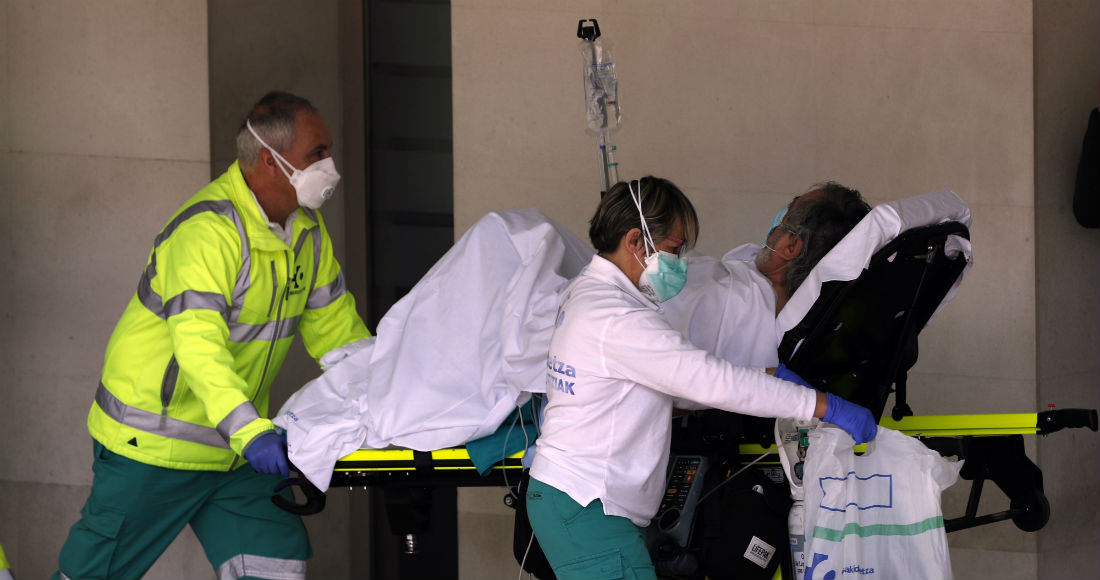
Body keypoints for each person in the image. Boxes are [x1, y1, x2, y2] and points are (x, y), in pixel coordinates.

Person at [53, 91, 370, 580]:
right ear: (271, 161)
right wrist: (249, 431)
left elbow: (338, 332)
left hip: (235, 452)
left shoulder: (306, 232)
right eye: (317, 154)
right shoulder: (207, 233)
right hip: (155, 445)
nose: (329, 164)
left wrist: (385, 397)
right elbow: (199, 348)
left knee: (276, 562)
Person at [524, 177, 877, 580]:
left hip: (581, 499)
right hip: (587, 502)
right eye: (675, 249)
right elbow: (711, 381)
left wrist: (768, 376)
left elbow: (680, 378)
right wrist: (824, 405)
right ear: (637, 241)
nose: (681, 262)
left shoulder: (593, 295)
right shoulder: (617, 318)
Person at [661, 182, 870, 368]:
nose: (773, 230)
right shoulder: (797, 311)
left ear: (791, 247)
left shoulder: (734, 301)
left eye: (784, 219)